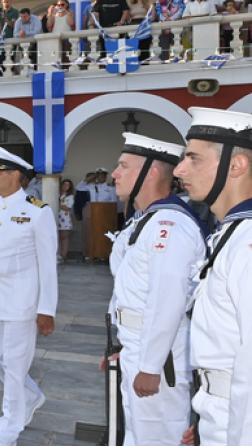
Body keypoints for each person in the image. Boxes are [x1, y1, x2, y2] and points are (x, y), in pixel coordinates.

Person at [104, 134, 204, 446]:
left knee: (157, 437)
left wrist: (149, 366)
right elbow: (133, 290)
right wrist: (124, 344)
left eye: (123, 166)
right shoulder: (146, 221)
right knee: (137, 434)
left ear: (150, 172)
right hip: (140, 346)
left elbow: (167, 301)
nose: (114, 174)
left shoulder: (169, 226)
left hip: (160, 359)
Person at [0, 147, 58, 446]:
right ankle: (30, 395)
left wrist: (47, 309)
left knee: (15, 365)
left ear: (15, 175)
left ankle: (8, 429)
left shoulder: (38, 211)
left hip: (22, 300)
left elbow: (48, 265)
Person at [172, 107, 252, 445]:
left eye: (194, 158)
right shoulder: (230, 234)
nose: (179, 170)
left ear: (236, 166)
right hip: (220, 411)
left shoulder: (247, 241)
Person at [57, 179, 73, 263]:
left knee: (64, 237)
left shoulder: (70, 196)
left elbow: (68, 208)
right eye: (64, 184)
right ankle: (59, 255)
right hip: (56, 217)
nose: (65, 186)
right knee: (58, 237)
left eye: (67, 185)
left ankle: (64, 255)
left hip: (65, 218)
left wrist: (59, 205)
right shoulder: (56, 194)